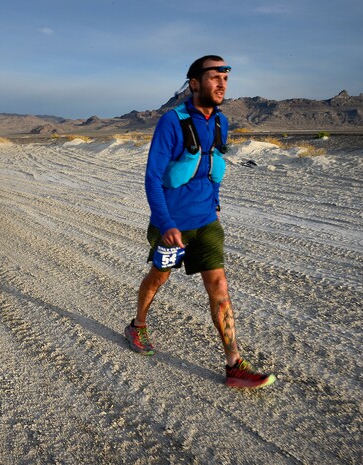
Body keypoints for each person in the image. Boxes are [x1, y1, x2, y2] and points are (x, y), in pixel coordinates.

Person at [124, 55, 275, 388]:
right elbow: (151, 177)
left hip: (206, 221)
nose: (221, 83)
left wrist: (216, 203)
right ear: (194, 83)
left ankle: (234, 364)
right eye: (214, 77)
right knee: (158, 278)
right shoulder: (171, 122)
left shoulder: (221, 122)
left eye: (225, 77)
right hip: (172, 225)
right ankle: (137, 326)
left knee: (219, 287)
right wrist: (165, 224)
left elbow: (214, 165)